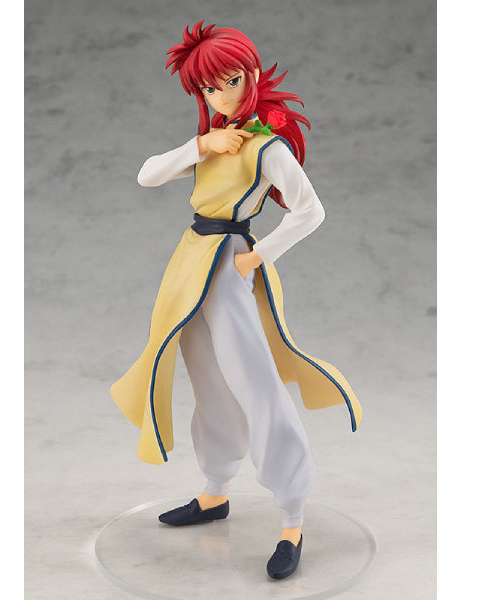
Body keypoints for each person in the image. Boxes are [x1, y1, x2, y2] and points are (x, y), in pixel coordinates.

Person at [110, 21, 362, 580]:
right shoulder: (213, 138)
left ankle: (292, 517)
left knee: (256, 383)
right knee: (209, 381)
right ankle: (215, 490)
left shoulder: (266, 147)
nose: (220, 95)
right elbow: (147, 175)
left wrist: (259, 255)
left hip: (228, 263)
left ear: (251, 74)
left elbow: (310, 211)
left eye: (229, 81)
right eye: (208, 88)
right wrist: (201, 144)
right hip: (190, 263)